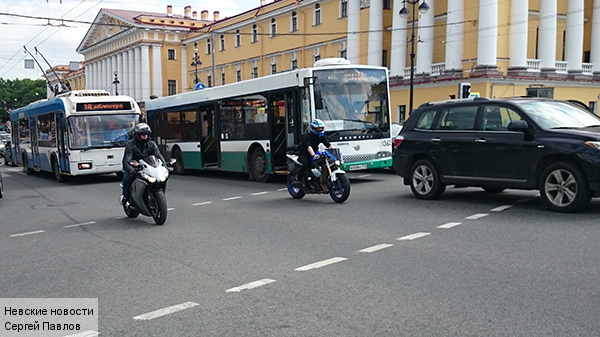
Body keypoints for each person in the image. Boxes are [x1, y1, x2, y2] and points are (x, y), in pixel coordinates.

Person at [120, 123, 166, 205]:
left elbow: (158, 155)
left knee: (159, 179)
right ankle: (125, 197)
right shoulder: (130, 145)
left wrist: (164, 166)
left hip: (146, 166)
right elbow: (127, 160)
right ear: (137, 135)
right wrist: (131, 171)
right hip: (134, 166)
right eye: (142, 134)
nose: (145, 136)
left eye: (146, 134)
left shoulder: (151, 144)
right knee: (127, 179)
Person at [296, 118, 334, 184]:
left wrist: (334, 152)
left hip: (315, 152)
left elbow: (328, 145)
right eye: (318, 128)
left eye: (321, 128)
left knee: (324, 161)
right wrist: (314, 155)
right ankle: (299, 178)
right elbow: (309, 147)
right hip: (304, 154)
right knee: (307, 164)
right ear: (313, 128)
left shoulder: (321, 136)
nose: (320, 130)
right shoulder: (307, 136)